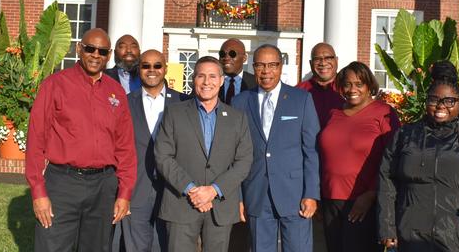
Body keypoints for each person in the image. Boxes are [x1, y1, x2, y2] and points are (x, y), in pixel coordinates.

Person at [377, 60, 459, 252]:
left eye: (449, 101)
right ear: (426, 101)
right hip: (411, 236)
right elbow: (386, 180)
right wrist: (387, 229)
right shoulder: (405, 136)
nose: (441, 106)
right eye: (434, 99)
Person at [25, 28, 137, 252]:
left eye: (102, 51)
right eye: (90, 48)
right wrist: (38, 192)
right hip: (63, 184)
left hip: (103, 187)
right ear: (79, 49)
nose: (96, 55)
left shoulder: (115, 92)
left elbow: (125, 147)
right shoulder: (55, 85)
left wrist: (124, 193)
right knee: (52, 247)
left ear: (109, 55)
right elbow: (36, 140)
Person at [154, 56, 253, 252]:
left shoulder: (237, 118)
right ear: (193, 79)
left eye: (212, 76)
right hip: (181, 204)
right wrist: (191, 189)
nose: (207, 82)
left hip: (220, 207)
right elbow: (163, 156)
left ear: (222, 80)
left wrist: (213, 190)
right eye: (201, 76)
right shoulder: (174, 113)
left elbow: (244, 161)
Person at [231, 44, 320, 252]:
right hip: (256, 194)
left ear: (281, 66)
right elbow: (234, 154)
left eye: (272, 65)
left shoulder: (302, 99)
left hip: (295, 195)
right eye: (260, 65)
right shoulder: (240, 102)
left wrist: (311, 194)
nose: (266, 71)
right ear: (253, 67)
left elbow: (311, 151)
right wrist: (239, 198)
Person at [319, 62, 400, 252]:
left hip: (363, 203)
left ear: (369, 85)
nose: (352, 89)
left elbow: (394, 158)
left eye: (359, 84)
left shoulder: (384, 113)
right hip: (330, 200)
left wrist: (371, 194)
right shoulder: (333, 113)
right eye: (347, 84)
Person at [112, 50, 188, 252]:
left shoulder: (183, 102)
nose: (152, 70)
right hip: (136, 186)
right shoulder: (125, 102)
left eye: (157, 65)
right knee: (134, 247)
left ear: (165, 69)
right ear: (139, 69)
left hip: (173, 189)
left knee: (170, 245)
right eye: (146, 65)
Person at [296, 43, 344, 128]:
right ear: (311, 63)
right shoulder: (298, 91)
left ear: (336, 60)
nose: (323, 63)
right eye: (317, 59)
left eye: (328, 58)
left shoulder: (348, 89)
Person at [218, 38, 257, 104]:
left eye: (232, 54)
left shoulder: (256, 83)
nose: (226, 58)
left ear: (244, 58)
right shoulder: (211, 82)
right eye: (222, 54)